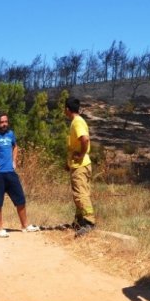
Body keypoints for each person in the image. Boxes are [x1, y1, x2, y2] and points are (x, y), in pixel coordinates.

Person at [0, 112, 40, 237]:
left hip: (10, 172)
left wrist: (14, 160)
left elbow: (15, 146)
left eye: (6, 121)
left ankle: (25, 225)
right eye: (1, 122)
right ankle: (0, 229)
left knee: (20, 200)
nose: (4, 124)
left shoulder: (11, 134)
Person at [64, 97, 96, 237]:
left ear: (67, 109)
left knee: (80, 194)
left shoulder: (77, 122)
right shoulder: (77, 122)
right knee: (79, 193)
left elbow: (85, 139)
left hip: (81, 166)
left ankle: (89, 222)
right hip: (78, 165)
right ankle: (79, 221)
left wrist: (81, 154)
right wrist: (69, 163)